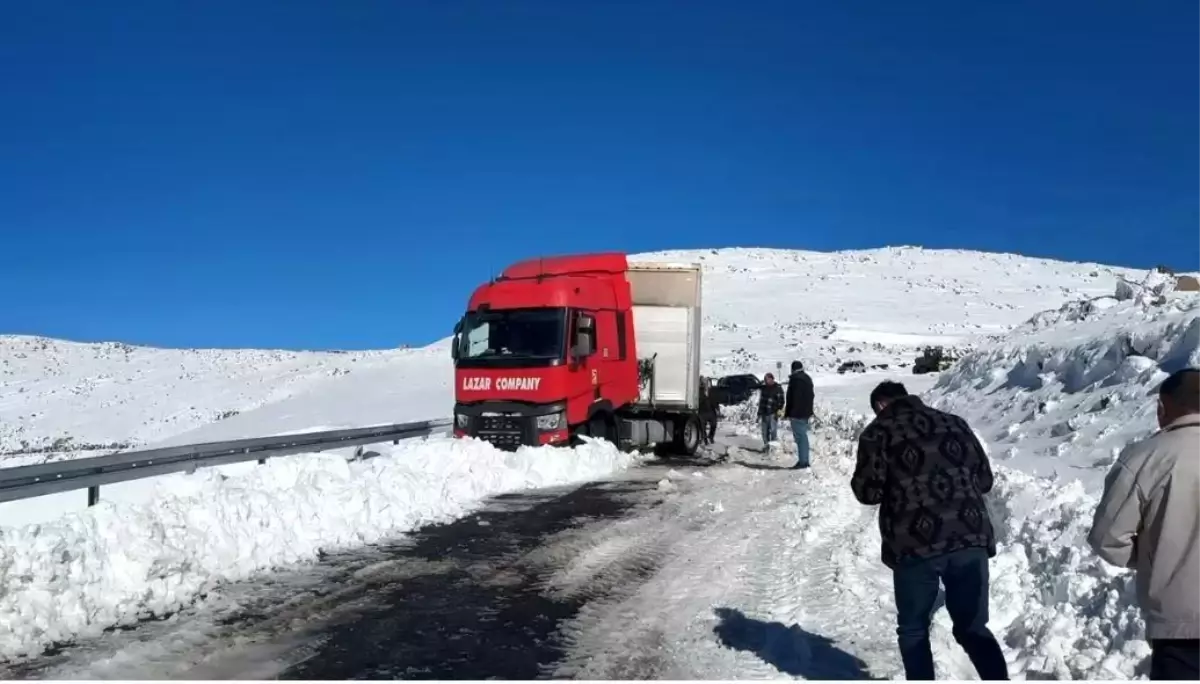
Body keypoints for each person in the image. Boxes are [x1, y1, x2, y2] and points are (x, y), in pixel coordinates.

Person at [851, 381, 1007, 681]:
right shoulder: (955, 423)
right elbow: (985, 480)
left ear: (881, 405)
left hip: (914, 544)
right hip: (969, 536)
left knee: (913, 630)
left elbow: (868, 492)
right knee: (973, 628)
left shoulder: (877, 433)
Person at [1088, 368, 1200, 680]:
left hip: (1181, 627)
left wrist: (1153, 557)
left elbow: (1107, 538)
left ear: (1163, 407)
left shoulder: (1145, 458)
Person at [784, 360, 815, 469]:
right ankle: (804, 460)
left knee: (800, 437)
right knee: (803, 436)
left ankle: (803, 462)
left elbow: (794, 398)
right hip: (806, 412)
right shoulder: (807, 378)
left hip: (797, 413)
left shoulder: (796, 380)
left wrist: (790, 413)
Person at [757, 373, 785, 450]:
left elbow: (781, 402)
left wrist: (778, 412)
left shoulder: (777, 388)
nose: (766, 381)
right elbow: (761, 402)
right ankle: (766, 446)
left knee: (773, 432)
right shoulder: (764, 388)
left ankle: (773, 449)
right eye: (765, 379)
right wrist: (759, 413)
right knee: (764, 432)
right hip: (764, 413)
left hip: (773, 413)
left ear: (772, 379)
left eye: (767, 379)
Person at [698, 377, 719, 445]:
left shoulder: (712, 391)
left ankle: (711, 437)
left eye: (707, 383)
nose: (706, 384)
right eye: (704, 383)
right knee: (702, 426)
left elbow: (715, 400)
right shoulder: (699, 391)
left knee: (714, 424)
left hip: (711, 411)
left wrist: (717, 409)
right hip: (702, 411)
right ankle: (704, 439)